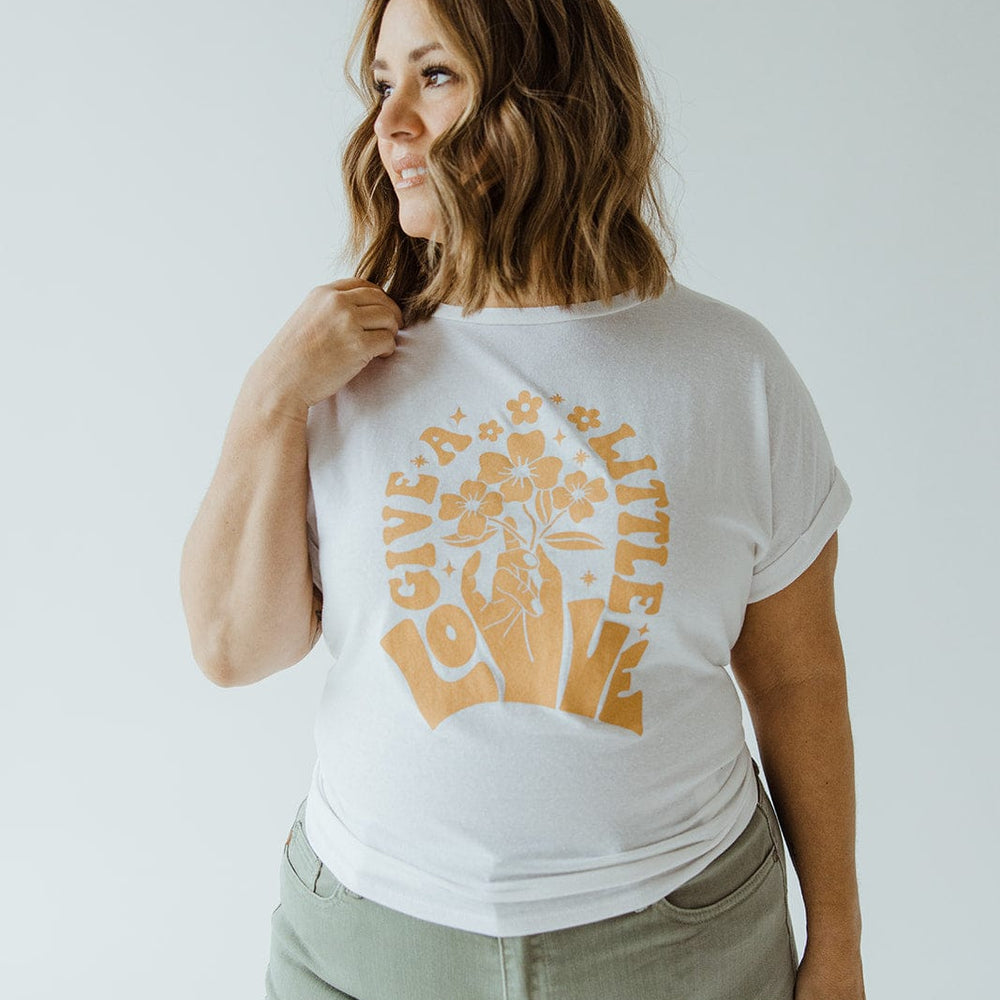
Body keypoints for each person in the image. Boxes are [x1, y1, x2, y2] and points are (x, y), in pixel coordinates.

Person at [179, 0, 866, 997]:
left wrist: (837, 938)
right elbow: (232, 649)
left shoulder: (729, 374)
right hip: (370, 944)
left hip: (675, 947)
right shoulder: (341, 365)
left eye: (435, 77)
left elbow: (799, 678)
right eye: (381, 84)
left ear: (547, 99)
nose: (390, 123)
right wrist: (269, 395)